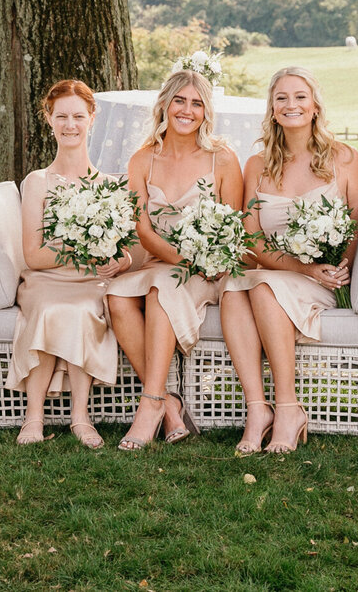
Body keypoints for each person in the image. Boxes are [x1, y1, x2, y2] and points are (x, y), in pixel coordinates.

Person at [222, 67, 358, 455]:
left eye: (300, 96)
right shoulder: (256, 166)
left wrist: (336, 269)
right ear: (271, 110)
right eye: (282, 98)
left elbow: (354, 224)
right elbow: (252, 242)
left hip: (326, 280)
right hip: (279, 272)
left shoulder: (345, 159)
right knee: (234, 289)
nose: (291, 105)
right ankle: (258, 409)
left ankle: (288, 408)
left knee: (262, 286)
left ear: (315, 105)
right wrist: (301, 267)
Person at [106, 70, 244, 450]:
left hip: (208, 272)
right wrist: (183, 259)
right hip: (163, 262)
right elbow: (144, 231)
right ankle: (170, 403)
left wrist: (203, 262)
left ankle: (149, 406)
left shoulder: (223, 160)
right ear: (165, 104)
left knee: (159, 290)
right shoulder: (142, 160)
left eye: (197, 103)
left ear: (206, 112)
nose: (187, 110)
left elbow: (235, 227)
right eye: (180, 101)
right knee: (116, 295)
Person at [8, 80, 137, 450]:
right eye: (61, 116)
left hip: (92, 284)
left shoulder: (109, 184)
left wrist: (122, 259)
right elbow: (33, 255)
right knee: (51, 308)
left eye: (78, 116)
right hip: (46, 279)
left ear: (92, 119)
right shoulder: (37, 182)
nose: (70, 125)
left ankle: (81, 417)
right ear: (49, 119)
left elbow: (129, 249)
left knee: (83, 310)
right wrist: (84, 248)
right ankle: (34, 416)